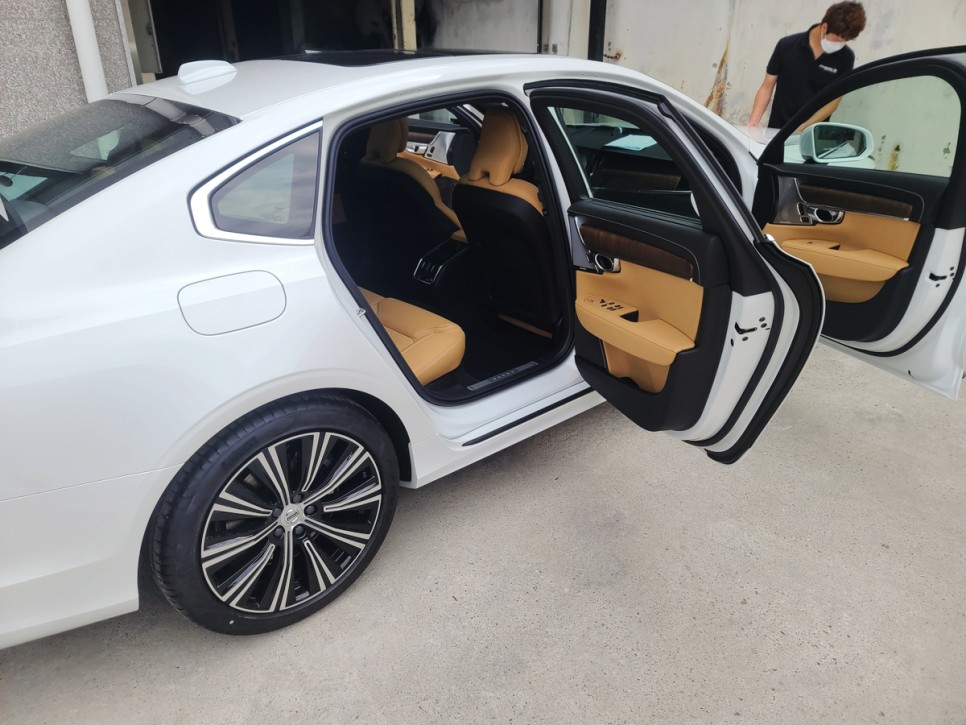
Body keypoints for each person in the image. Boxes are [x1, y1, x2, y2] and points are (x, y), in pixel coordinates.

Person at [748, 2, 867, 129]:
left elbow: (833, 102)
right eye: (837, 40)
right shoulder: (787, 45)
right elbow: (767, 86)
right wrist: (753, 121)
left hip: (812, 134)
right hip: (777, 131)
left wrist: (803, 128)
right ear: (824, 27)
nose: (839, 45)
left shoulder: (846, 57)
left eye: (845, 41)